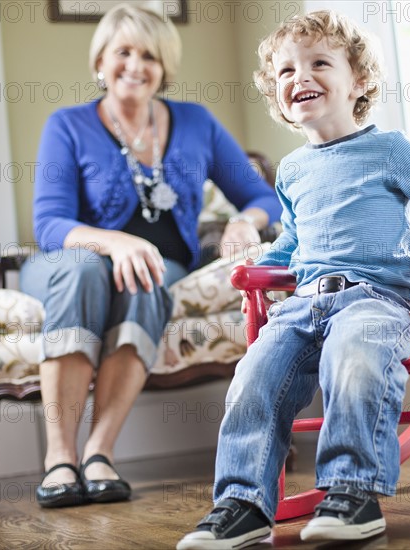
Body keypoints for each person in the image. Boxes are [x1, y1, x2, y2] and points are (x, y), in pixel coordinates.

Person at [177, 9, 410, 549]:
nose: (299, 77)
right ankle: (242, 503)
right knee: (253, 377)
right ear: (277, 96)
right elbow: (293, 243)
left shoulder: (389, 149)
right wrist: (257, 269)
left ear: (361, 81)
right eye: (285, 72)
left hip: (377, 301)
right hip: (302, 305)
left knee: (353, 360)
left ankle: (353, 494)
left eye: (318, 63)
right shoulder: (293, 170)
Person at [20, 3, 281, 509]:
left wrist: (244, 220)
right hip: (69, 263)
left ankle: (99, 453)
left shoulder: (195, 122)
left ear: (165, 68)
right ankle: (59, 457)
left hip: (161, 267)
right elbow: (49, 224)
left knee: (145, 274)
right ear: (100, 60)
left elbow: (264, 197)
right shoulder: (67, 125)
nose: (135, 66)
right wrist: (115, 241)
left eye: (150, 56)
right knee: (87, 270)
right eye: (123, 52)